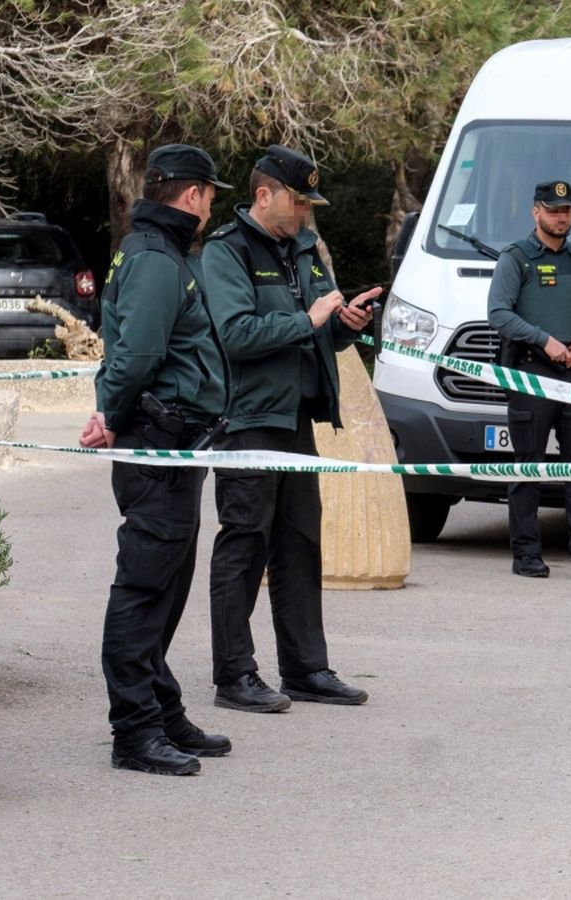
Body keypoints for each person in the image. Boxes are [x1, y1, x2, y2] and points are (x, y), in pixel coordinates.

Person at [200, 145, 379, 713]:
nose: (305, 212)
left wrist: (345, 325)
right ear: (264, 195)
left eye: (309, 204)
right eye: (298, 202)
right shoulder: (226, 251)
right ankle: (234, 675)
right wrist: (308, 318)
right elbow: (236, 334)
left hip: (297, 418)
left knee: (300, 545)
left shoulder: (303, 249)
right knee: (244, 545)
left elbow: (320, 330)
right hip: (250, 420)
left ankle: (305, 669)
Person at [81, 143, 233, 775]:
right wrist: (112, 416)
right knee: (144, 588)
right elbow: (137, 355)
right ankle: (135, 730)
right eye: (210, 196)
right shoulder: (154, 257)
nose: (210, 207)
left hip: (175, 444)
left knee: (166, 586)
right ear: (193, 194)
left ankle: (161, 709)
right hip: (156, 442)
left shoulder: (160, 251)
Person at [487, 180, 571, 582]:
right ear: (536, 212)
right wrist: (544, 340)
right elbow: (499, 313)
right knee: (527, 468)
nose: (561, 217)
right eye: (553, 210)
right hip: (532, 375)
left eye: (567, 210)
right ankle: (526, 554)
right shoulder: (516, 259)